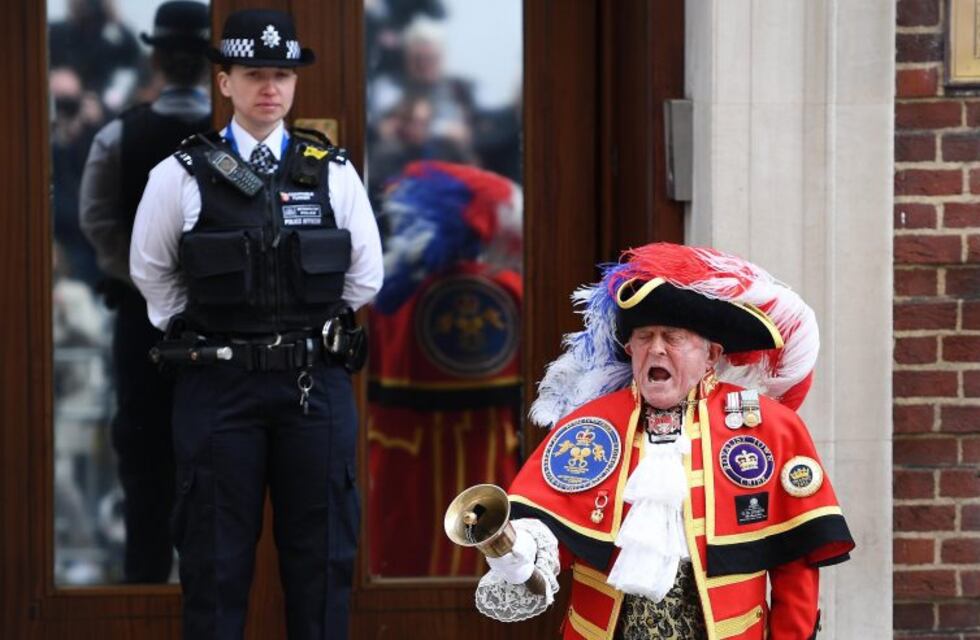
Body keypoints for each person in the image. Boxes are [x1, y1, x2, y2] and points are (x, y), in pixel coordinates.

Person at [129, 8, 383, 639]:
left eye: (282, 74)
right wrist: (211, 334)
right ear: (225, 82)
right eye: (253, 73)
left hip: (312, 386)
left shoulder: (333, 172)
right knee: (214, 570)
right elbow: (152, 273)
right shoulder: (179, 175)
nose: (269, 87)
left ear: (295, 84)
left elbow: (364, 277)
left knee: (323, 565)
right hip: (218, 389)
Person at [472, 243, 855, 639]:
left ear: (711, 355)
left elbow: (795, 561)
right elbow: (563, 533)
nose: (656, 348)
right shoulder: (589, 428)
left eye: (672, 337)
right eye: (644, 337)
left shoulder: (769, 428)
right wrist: (525, 553)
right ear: (629, 349)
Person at [79, 0, 211, 584]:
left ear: (154, 55)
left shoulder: (118, 134)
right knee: (218, 469)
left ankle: (143, 596)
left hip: (141, 321)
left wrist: (147, 280)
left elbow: (97, 224)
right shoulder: (231, 137)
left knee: (145, 470)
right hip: (221, 323)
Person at [366, 161, 522, 576]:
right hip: (483, 451)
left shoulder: (392, 294)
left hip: (405, 456)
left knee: (403, 553)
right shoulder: (509, 288)